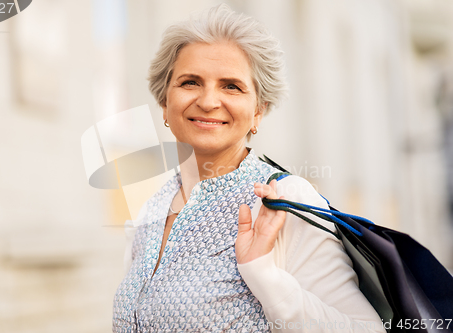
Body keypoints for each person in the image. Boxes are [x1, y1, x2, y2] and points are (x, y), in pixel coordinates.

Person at [113, 4, 385, 333]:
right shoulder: (151, 210)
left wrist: (262, 273)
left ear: (258, 111)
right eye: (190, 82)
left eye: (231, 86)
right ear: (164, 105)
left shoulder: (285, 200)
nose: (209, 101)